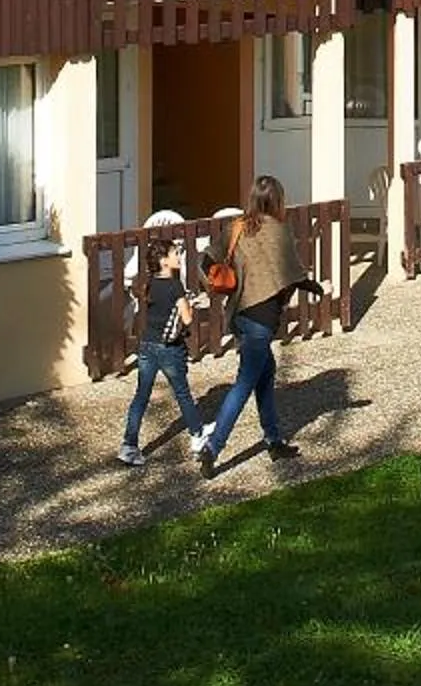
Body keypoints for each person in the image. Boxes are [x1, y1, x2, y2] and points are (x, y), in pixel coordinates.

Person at [197, 175, 312, 475]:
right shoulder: (279, 230)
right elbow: (291, 272)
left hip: (241, 314)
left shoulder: (236, 226)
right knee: (245, 383)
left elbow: (207, 259)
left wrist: (218, 278)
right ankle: (213, 447)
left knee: (265, 374)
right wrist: (311, 285)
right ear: (277, 200)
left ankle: (273, 440)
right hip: (262, 321)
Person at [118, 235, 206, 467]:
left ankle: (129, 445)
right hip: (169, 349)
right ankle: (197, 436)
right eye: (175, 253)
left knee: (141, 396)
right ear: (164, 261)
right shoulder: (175, 285)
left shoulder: (149, 284)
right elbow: (186, 319)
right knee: (182, 393)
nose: (179, 256)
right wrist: (192, 306)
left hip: (147, 345)